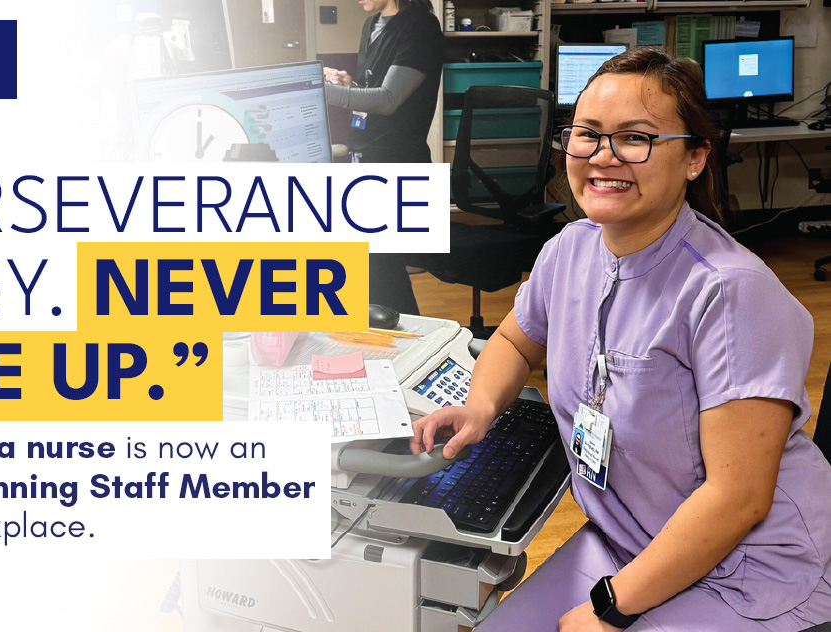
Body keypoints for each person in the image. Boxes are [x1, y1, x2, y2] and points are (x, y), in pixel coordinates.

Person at [412, 47, 831, 631]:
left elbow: (739, 499)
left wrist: (611, 607)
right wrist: (481, 408)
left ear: (694, 158)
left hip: (750, 569)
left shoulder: (730, 292)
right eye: (587, 134)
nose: (604, 156)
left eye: (635, 138)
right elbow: (512, 341)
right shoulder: (571, 249)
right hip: (626, 537)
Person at [322, 0, 442, 315]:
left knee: (381, 270)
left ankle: (413, 345)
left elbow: (389, 100)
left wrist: (322, 92)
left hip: (399, 163)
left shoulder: (421, 26)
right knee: (374, 270)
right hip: (367, 155)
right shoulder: (371, 25)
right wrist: (351, 86)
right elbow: (374, 90)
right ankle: (398, 342)